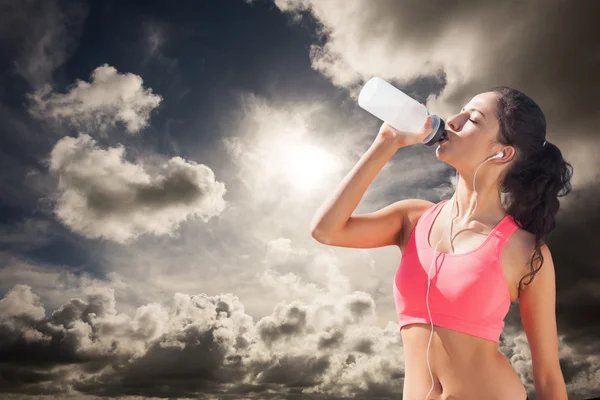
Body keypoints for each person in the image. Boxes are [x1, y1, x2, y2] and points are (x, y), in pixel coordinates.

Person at [310, 87, 572, 400]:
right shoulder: (412, 219)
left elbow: (546, 374)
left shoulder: (527, 250)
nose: (454, 119)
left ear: (502, 153)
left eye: (472, 119)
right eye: (460, 110)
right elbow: (326, 230)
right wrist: (386, 143)